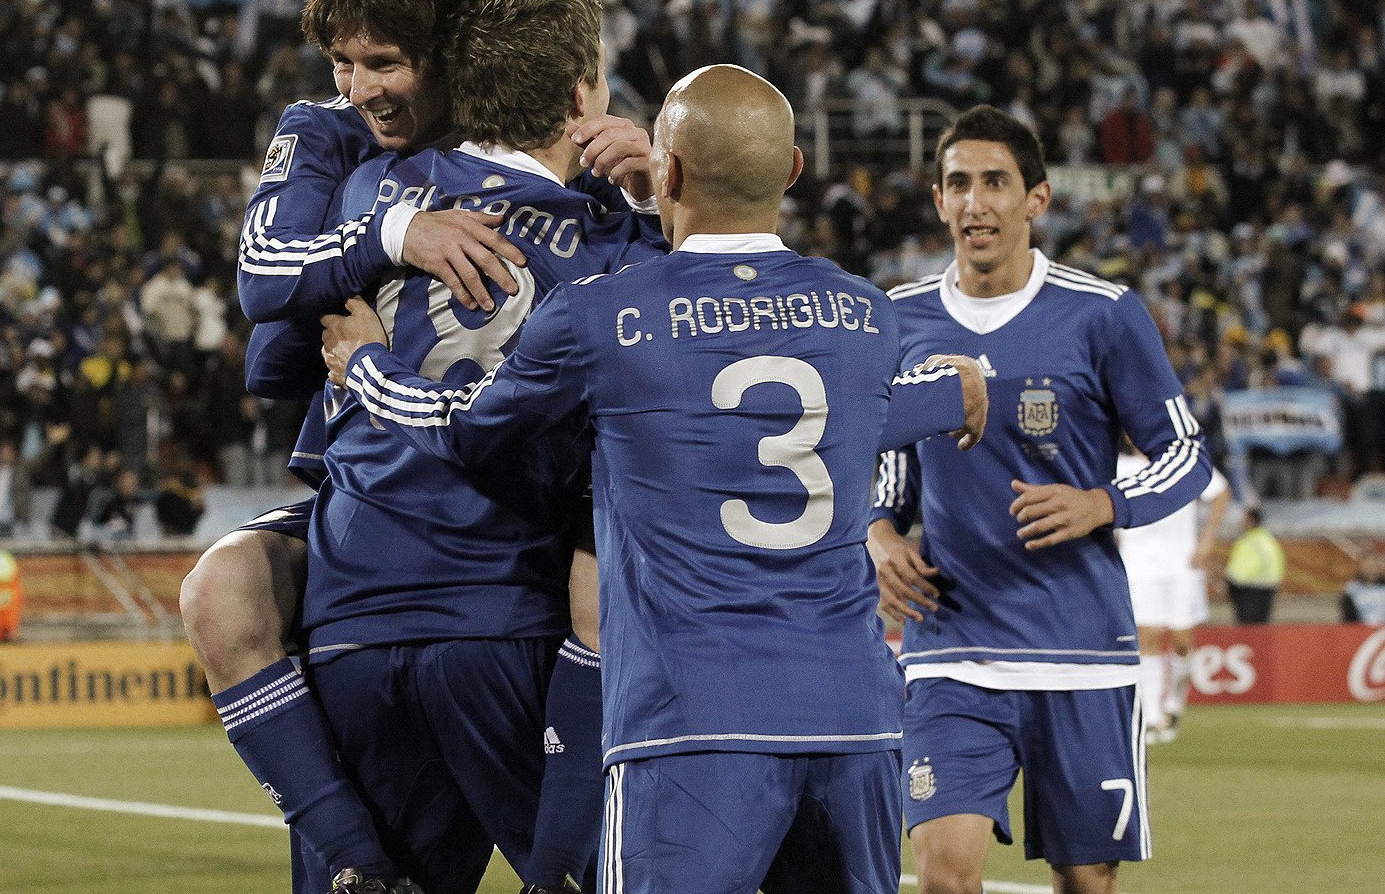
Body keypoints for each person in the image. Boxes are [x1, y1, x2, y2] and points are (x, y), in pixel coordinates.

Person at [319, 63, 988, 894]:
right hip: (855, 721)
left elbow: (465, 429)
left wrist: (368, 366)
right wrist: (959, 389)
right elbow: (868, 414)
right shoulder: (864, 314)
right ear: (792, 171)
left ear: (665, 171)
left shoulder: (606, 315)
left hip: (690, 724)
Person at [187, 0, 649, 894]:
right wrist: (665, 202)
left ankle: (359, 861)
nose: (359, 89)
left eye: (385, 63)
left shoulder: (373, 177)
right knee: (224, 585)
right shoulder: (601, 227)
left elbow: (276, 353)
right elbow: (261, 286)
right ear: (577, 95)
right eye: (344, 65)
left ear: (459, 54)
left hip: (371, 560)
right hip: (499, 584)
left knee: (229, 589)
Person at [867, 105, 1214, 894]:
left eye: (996, 183)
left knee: (1086, 884)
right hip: (951, 645)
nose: (975, 203)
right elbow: (885, 464)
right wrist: (879, 535)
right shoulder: (900, 317)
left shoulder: (1103, 314)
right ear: (937, 199)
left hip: (1081, 650)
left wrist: (1103, 504)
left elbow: (1186, 455)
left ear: (1038, 200)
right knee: (944, 875)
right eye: (959, 184)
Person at [1115, 450, 1232, 743]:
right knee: (1148, 637)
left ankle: (1174, 703)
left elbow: (1221, 492)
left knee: (1182, 642)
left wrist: (1206, 541)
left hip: (1183, 564)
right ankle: (1152, 717)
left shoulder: (1183, 460)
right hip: (1139, 564)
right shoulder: (1118, 464)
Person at [1224, 507, 1283, 624]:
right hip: (1269, 589)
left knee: (1247, 631)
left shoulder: (1249, 541)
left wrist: (1232, 585)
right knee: (1261, 629)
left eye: (1244, 519)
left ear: (1251, 520)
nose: (1241, 522)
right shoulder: (1268, 539)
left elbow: (1242, 568)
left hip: (1249, 591)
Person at [1341, 551, 1385, 625]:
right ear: (1360, 566)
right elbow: (1348, 616)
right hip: (1360, 630)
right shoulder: (1352, 588)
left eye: (1374, 563)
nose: (1371, 567)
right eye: (1367, 564)